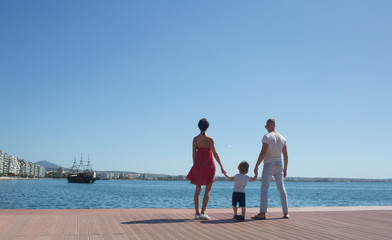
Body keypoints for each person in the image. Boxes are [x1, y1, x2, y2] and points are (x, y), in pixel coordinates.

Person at [187, 118, 226, 220]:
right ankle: (203, 213)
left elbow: (193, 155)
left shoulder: (195, 139)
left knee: (197, 190)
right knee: (207, 190)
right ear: (208, 127)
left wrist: (195, 166)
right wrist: (221, 166)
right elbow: (215, 154)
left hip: (198, 166)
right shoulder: (210, 140)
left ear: (198, 127)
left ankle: (196, 213)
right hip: (209, 166)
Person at [252, 118, 289, 220]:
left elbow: (263, 152)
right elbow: (285, 155)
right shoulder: (282, 138)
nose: (266, 128)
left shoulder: (267, 137)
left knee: (264, 188)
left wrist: (256, 165)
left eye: (266, 126)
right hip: (279, 163)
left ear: (270, 125)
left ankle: (262, 212)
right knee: (281, 188)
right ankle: (286, 212)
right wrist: (285, 168)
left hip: (269, 163)